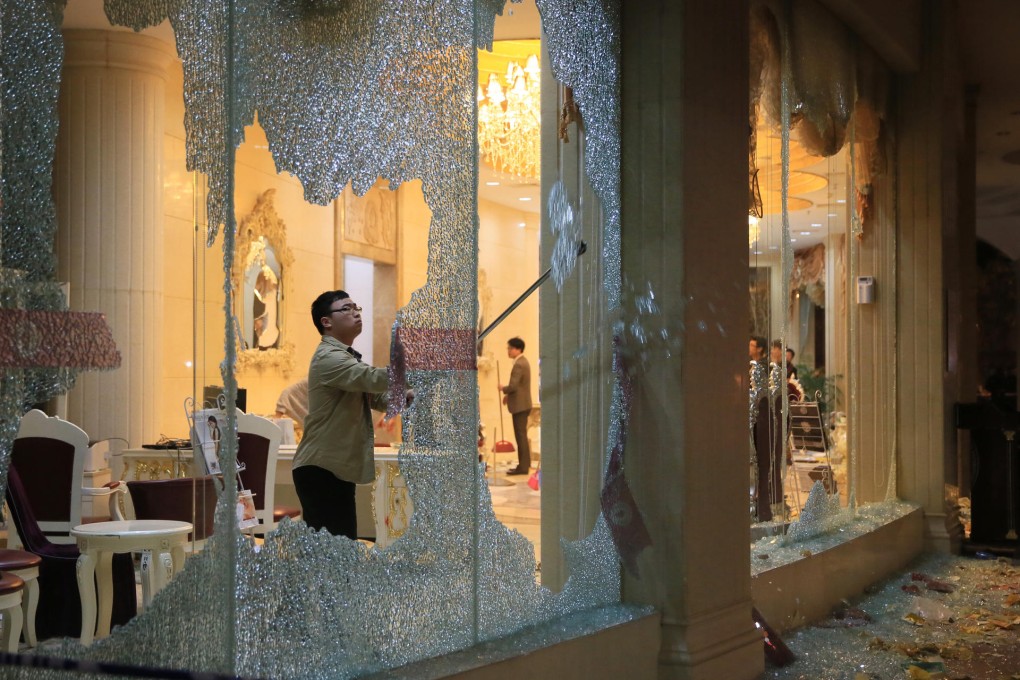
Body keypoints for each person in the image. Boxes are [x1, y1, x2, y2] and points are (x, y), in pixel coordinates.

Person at [291, 290, 411, 539]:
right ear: (326, 322)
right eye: (346, 308)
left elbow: (377, 396)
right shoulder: (329, 357)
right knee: (332, 556)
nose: (355, 312)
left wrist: (406, 397)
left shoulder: (346, 358)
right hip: (321, 469)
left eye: (356, 306)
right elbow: (371, 378)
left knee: (342, 551)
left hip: (335, 469)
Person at [500, 337, 533, 475]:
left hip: (520, 406)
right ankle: (524, 464)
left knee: (521, 436)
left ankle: (523, 467)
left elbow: (513, 385)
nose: (508, 351)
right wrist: (508, 395)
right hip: (522, 404)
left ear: (517, 349)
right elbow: (519, 386)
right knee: (521, 436)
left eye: (509, 348)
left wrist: (503, 388)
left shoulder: (519, 364)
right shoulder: (522, 362)